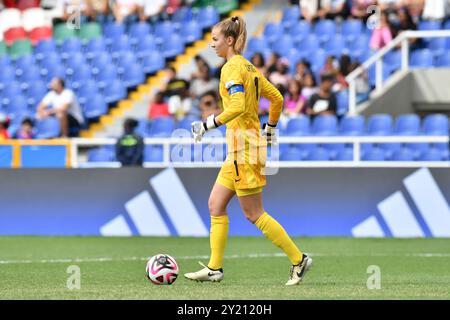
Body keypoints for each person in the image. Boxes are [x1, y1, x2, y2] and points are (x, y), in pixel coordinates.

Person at [185, 16, 312, 285]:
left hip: (244, 149)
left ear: (229, 41)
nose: (212, 44)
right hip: (242, 148)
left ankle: (298, 260)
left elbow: (238, 106)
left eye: (216, 39)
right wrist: (271, 129)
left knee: (253, 213)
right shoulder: (250, 68)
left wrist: (208, 124)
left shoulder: (231, 69)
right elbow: (277, 98)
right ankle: (214, 268)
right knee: (215, 204)